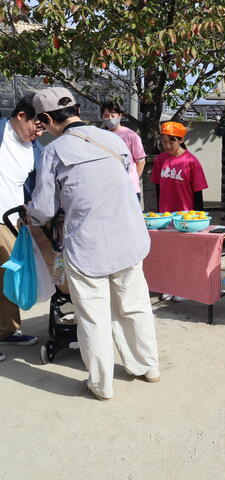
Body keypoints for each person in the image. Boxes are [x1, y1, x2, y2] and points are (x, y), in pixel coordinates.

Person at [27, 87, 159, 400]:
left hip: (88, 247)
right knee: (135, 305)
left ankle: (102, 385)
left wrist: (29, 213)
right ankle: (147, 366)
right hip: (129, 238)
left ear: (46, 119)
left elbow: (44, 209)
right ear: (75, 108)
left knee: (94, 317)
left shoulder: (54, 151)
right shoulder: (113, 139)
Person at [0, 96, 45, 361]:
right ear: (20, 116)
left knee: (9, 277)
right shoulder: (2, 133)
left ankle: (8, 330)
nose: (38, 132)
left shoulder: (35, 149)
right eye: (35, 126)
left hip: (12, 222)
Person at [151, 121, 208, 302]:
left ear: (181, 140)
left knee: (184, 254)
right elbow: (158, 188)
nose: (167, 146)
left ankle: (183, 288)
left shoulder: (191, 162)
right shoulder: (160, 160)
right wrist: (160, 212)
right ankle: (168, 286)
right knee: (167, 254)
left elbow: (198, 192)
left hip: (186, 216)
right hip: (166, 215)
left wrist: (199, 219)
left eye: (171, 142)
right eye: (164, 141)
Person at [100, 101, 147, 203]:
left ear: (120, 115)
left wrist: (132, 179)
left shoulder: (131, 135)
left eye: (113, 115)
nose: (110, 119)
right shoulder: (100, 136)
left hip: (129, 189)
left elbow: (141, 161)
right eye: (106, 116)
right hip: (107, 189)